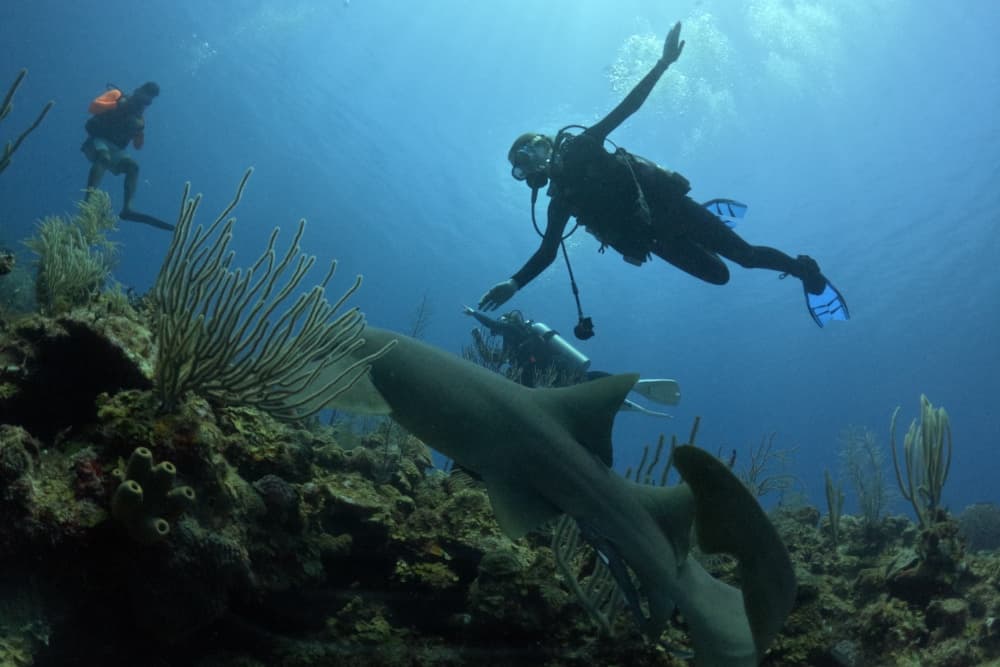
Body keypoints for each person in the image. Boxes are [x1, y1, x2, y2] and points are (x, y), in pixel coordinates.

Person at [477, 22, 849, 329]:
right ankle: (707, 229)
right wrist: (514, 283)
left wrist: (663, 62)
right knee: (720, 277)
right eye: (521, 166)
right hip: (654, 240)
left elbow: (629, 107)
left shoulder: (583, 146)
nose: (531, 163)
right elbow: (547, 252)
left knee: (747, 257)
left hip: (670, 207)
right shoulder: (560, 202)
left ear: (546, 144)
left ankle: (805, 270)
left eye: (531, 152)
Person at [464, 306, 680, 417]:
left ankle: (629, 385)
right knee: (585, 385)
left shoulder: (516, 329)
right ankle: (623, 392)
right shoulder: (509, 346)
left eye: (502, 323)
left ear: (510, 321)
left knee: (585, 380)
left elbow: (495, 324)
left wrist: (475, 314)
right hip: (545, 381)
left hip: (554, 369)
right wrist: (477, 338)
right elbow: (492, 359)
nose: (499, 329)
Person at [81, 81, 172, 231]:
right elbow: (93, 107)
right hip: (98, 140)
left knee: (133, 167)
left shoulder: (140, 119)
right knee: (104, 158)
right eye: (145, 94)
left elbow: (137, 146)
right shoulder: (117, 96)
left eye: (149, 99)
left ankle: (127, 208)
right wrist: (116, 105)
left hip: (116, 149)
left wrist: (139, 131)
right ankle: (88, 201)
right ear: (138, 90)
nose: (145, 101)